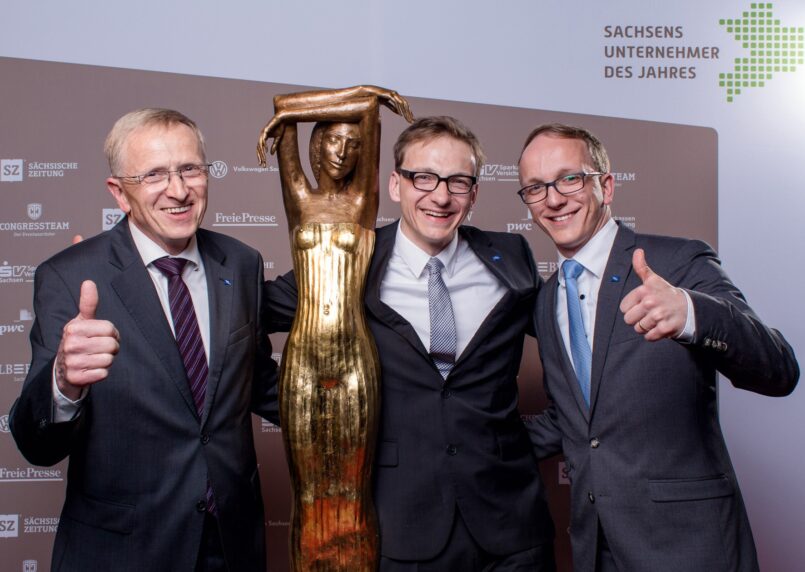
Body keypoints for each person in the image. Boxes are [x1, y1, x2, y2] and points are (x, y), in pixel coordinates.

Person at [268, 116, 555, 571]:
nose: (440, 197)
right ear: (396, 184)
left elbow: (574, 343)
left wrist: (535, 437)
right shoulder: (350, 259)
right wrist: (310, 412)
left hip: (512, 528)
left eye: (458, 181)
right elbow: (238, 326)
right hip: (401, 527)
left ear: (475, 193)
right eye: (424, 177)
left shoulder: (511, 256)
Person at [518, 122, 799, 572]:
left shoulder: (676, 262)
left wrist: (690, 313)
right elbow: (575, 420)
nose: (553, 198)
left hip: (691, 546)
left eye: (570, 178)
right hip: (596, 547)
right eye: (535, 187)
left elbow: (779, 369)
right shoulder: (548, 299)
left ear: (606, 187)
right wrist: (466, 442)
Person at [9, 108, 279, 572]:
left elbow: (256, 383)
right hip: (125, 550)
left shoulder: (240, 263)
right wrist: (63, 382)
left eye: (190, 169)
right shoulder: (69, 276)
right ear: (120, 192)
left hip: (232, 546)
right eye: (154, 174)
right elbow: (37, 445)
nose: (178, 190)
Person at [257, 85, 412, 571]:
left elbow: (366, 111)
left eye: (353, 144)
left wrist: (370, 94)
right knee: (307, 492)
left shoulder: (363, 203)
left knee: (353, 488)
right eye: (332, 141)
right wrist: (285, 118)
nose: (343, 151)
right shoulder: (299, 199)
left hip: (355, 361)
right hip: (302, 357)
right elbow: (283, 107)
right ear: (314, 144)